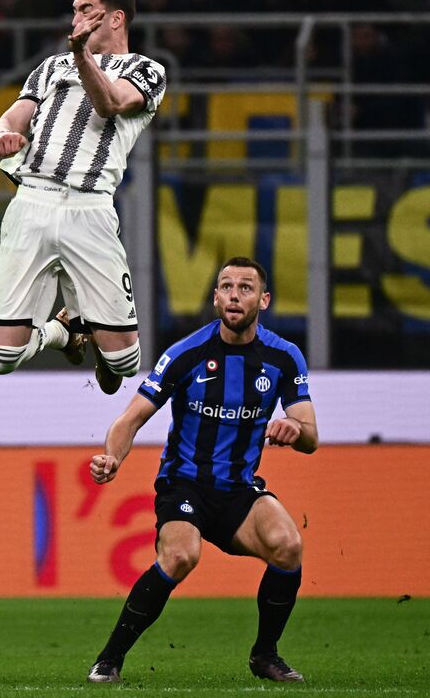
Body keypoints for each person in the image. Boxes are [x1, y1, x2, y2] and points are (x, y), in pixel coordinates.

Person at [85, 257, 319, 685]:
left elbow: (310, 436)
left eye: (245, 288)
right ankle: (109, 659)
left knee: (289, 545)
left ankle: (265, 655)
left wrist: (294, 429)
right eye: (226, 286)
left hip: (238, 491)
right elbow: (130, 419)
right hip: (185, 484)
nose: (234, 295)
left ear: (264, 300)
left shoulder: (284, 358)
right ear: (215, 297)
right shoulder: (186, 353)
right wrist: (112, 457)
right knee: (179, 556)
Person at [0, 0, 165, 394]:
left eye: (86, 10)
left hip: (90, 209)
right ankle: (63, 331)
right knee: (1, 358)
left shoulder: (146, 70)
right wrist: (2, 134)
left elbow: (111, 104)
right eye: (74, 10)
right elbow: (12, 117)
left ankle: (88, 330)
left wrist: (81, 54)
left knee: (125, 362)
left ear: (116, 19)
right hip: (31, 203)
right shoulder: (51, 67)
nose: (76, 19)